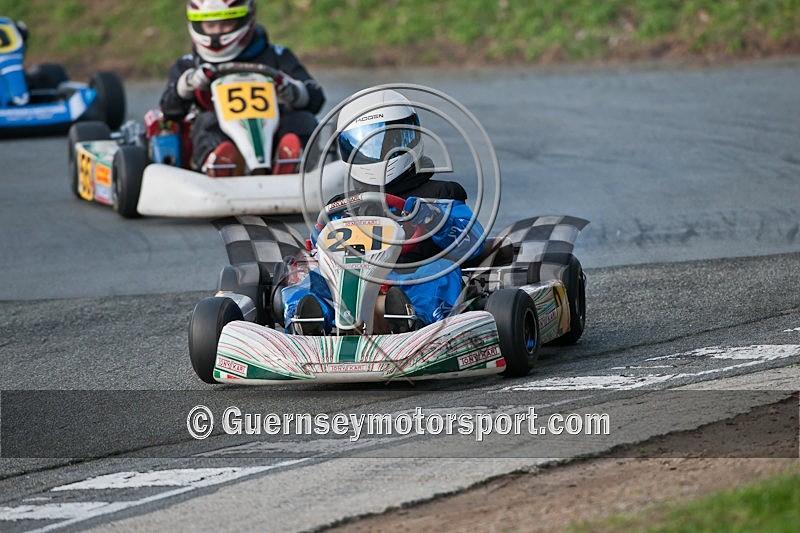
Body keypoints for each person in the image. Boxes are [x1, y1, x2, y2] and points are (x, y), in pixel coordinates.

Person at [281, 89, 485, 334]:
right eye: (363, 144)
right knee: (306, 275)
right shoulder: (341, 205)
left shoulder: (440, 193)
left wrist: (430, 216)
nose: (377, 154)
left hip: (411, 276)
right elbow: (319, 245)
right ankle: (307, 321)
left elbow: (473, 241)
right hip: (349, 283)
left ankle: (413, 321)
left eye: (387, 142)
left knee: (437, 271)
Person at [159, 0, 325, 176]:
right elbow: (169, 110)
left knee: (302, 119)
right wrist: (187, 85)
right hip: (219, 135)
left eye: (226, 23)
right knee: (206, 122)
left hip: (274, 134)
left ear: (247, 19)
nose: (217, 32)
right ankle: (221, 164)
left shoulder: (277, 56)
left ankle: (290, 160)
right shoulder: (188, 64)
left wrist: (294, 91)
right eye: (210, 25)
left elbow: (316, 97)